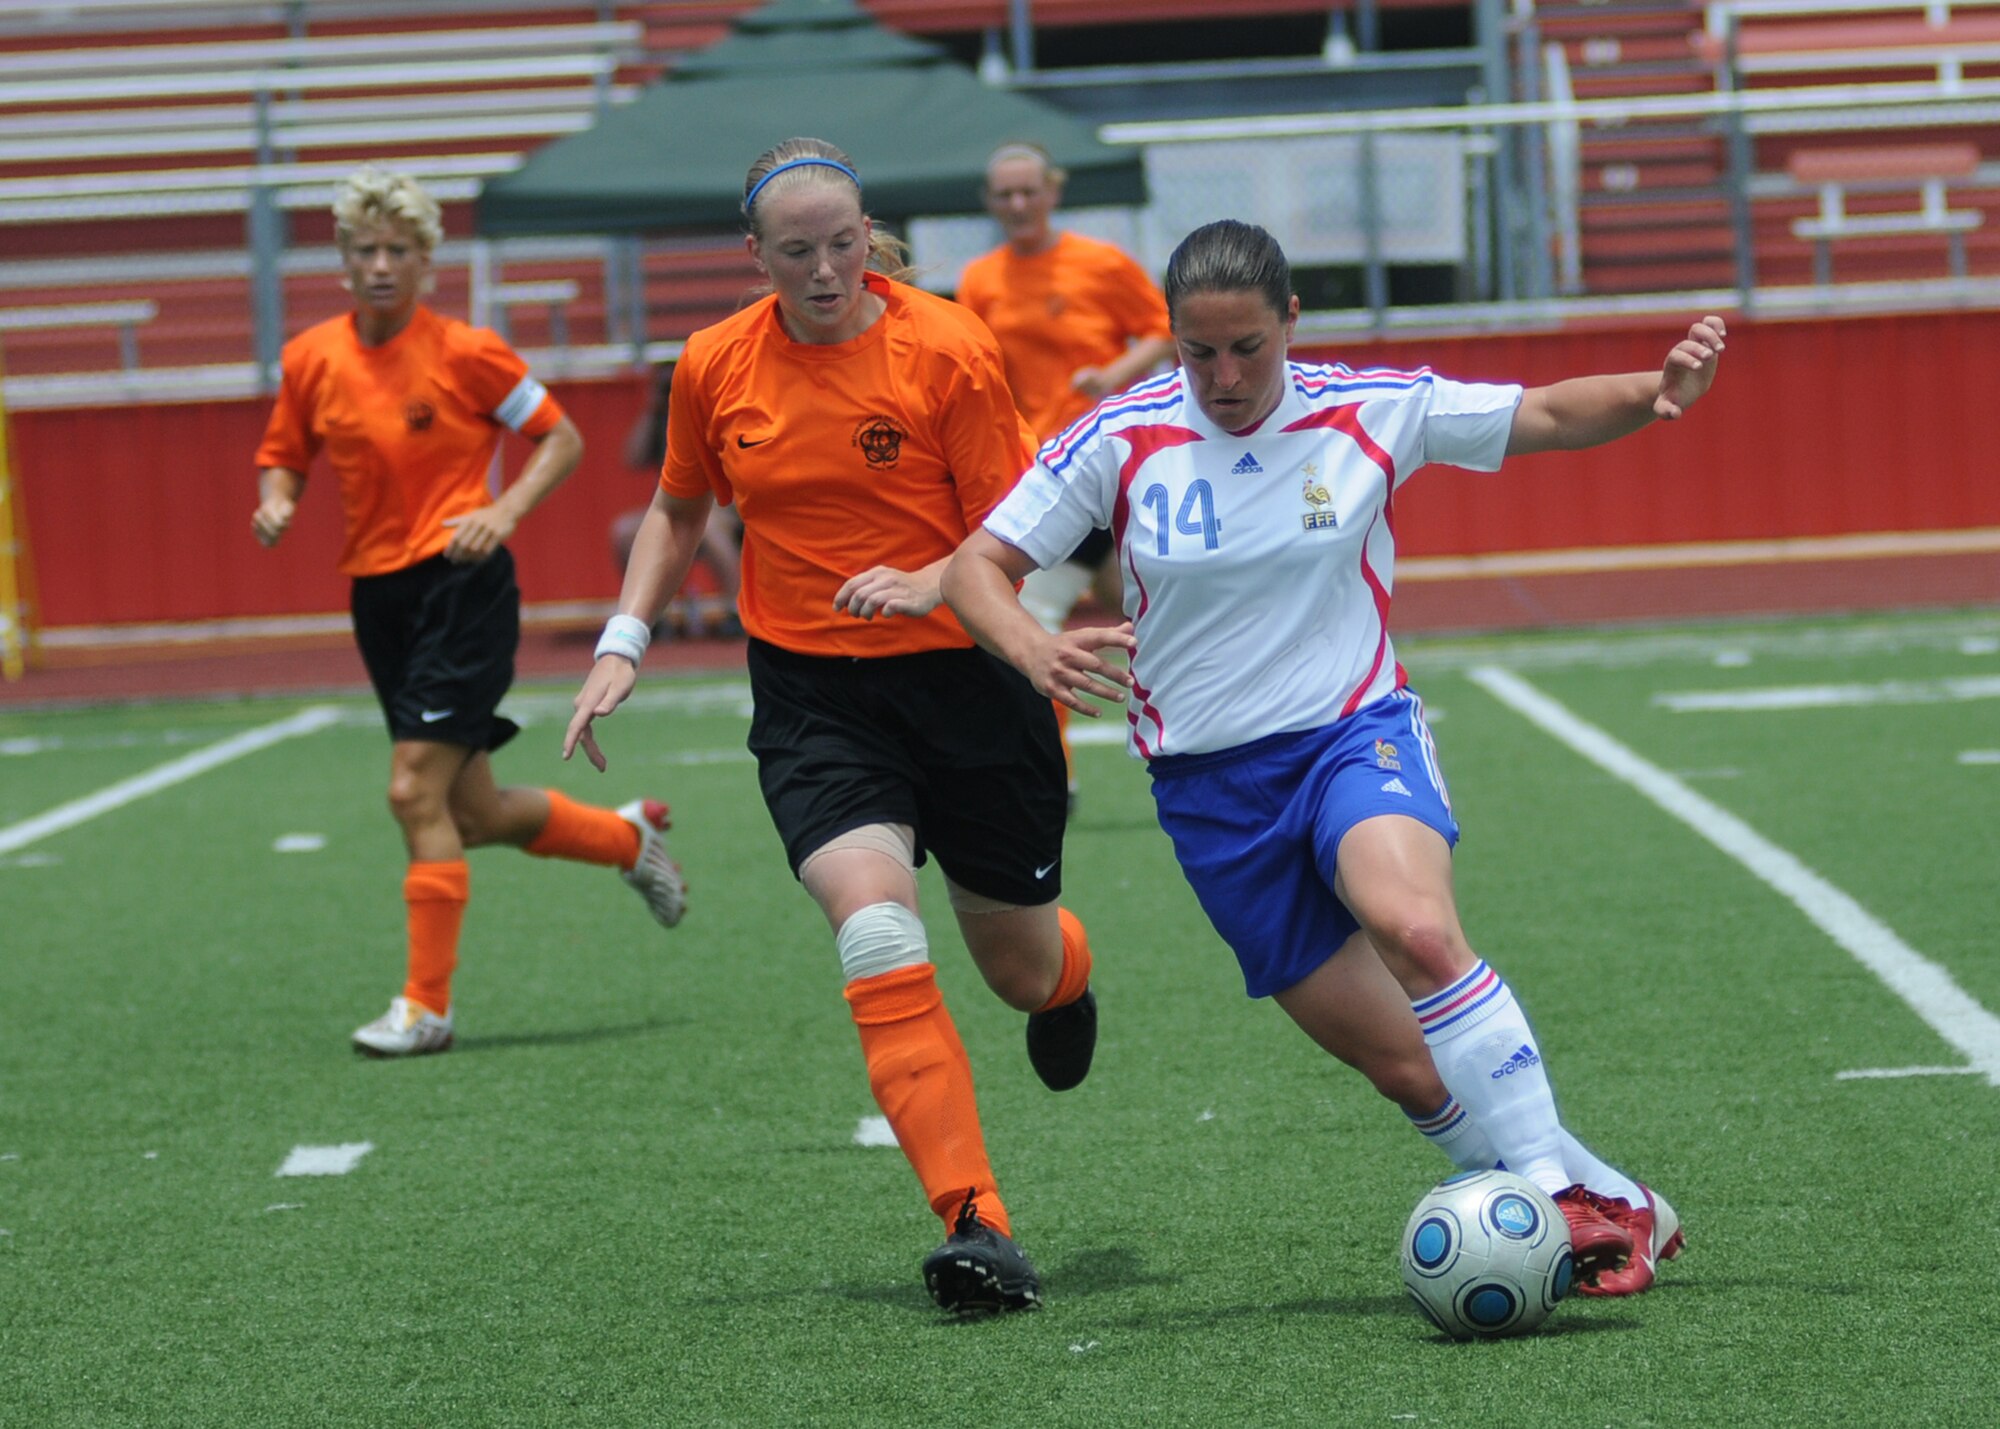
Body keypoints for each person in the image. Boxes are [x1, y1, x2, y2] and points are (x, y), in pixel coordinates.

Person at [943, 219, 1723, 1295]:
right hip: (1210, 792)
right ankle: (1611, 1201)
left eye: (1246, 348)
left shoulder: (1366, 410)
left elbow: (1538, 411)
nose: (1221, 376)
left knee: (1412, 925)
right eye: (1196, 351)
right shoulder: (1117, 436)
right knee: (1401, 1064)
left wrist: (1655, 388)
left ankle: (1549, 1196)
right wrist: (1029, 640)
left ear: (1290, 323)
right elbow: (975, 565)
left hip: (1350, 736)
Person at [563, 138, 1099, 1316]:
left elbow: (1019, 530)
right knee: (871, 925)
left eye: (843, 243)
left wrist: (927, 578)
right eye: (795, 251)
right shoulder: (711, 364)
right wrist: (621, 642)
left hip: (967, 684)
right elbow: (675, 506)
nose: (823, 270)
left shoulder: (947, 346)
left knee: (1016, 966)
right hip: (816, 697)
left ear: (871, 236)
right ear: (751, 257)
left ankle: (1068, 981)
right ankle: (976, 1223)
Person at [253, 166, 688, 1058]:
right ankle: (624, 837)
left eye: (399, 251)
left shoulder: (466, 351)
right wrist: (278, 497)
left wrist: (503, 509)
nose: (381, 265)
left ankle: (426, 1007)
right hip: (379, 596)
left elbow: (560, 437)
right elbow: (284, 453)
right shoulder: (311, 358)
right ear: (341, 262)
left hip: (464, 587)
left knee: (412, 790)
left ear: (426, 264)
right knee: (473, 812)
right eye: (365, 250)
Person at [955, 143, 1176, 806]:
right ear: (989, 204)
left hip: (1109, 462)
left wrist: (1112, 376)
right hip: (1039, 476)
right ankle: (1061, 773)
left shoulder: (1100, 262)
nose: (1018, 205)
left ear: (1053, 191)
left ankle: (1056, 777)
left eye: (1029, 191)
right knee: (1145, 615)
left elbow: (1164, 327)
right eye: (1004, 195)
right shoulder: (980, 280)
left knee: (1031, 621)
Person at [613, 362, 744, 639]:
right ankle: (648, 616)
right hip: (679, 507)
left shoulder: (712, 407)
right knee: (625, 531)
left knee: (708, 526)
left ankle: (735, 609)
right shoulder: (660, 417)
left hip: (724, 507)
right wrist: (653, 408)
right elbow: (632, 458)